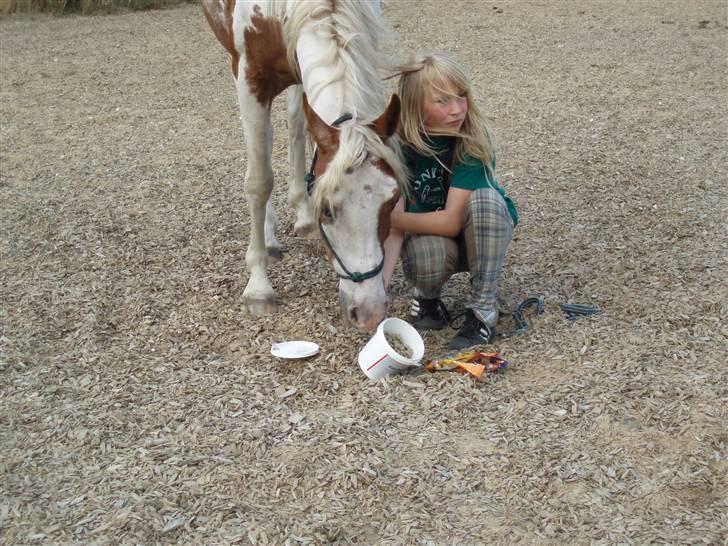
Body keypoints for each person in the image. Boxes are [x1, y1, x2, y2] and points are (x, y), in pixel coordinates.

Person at [382, 52, 519, 350]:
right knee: (425, 255)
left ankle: (482, 311)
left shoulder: (472, 141)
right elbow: (395, 231)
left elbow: (451, 220)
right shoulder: (396, 146)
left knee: (486, 202)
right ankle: (427, 299)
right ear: (414, 106)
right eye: (442, 101)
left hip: (480, 237)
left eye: (461, 97)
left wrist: (385, 218)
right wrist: (378, 294)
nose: (457, 109)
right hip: (433, 244)